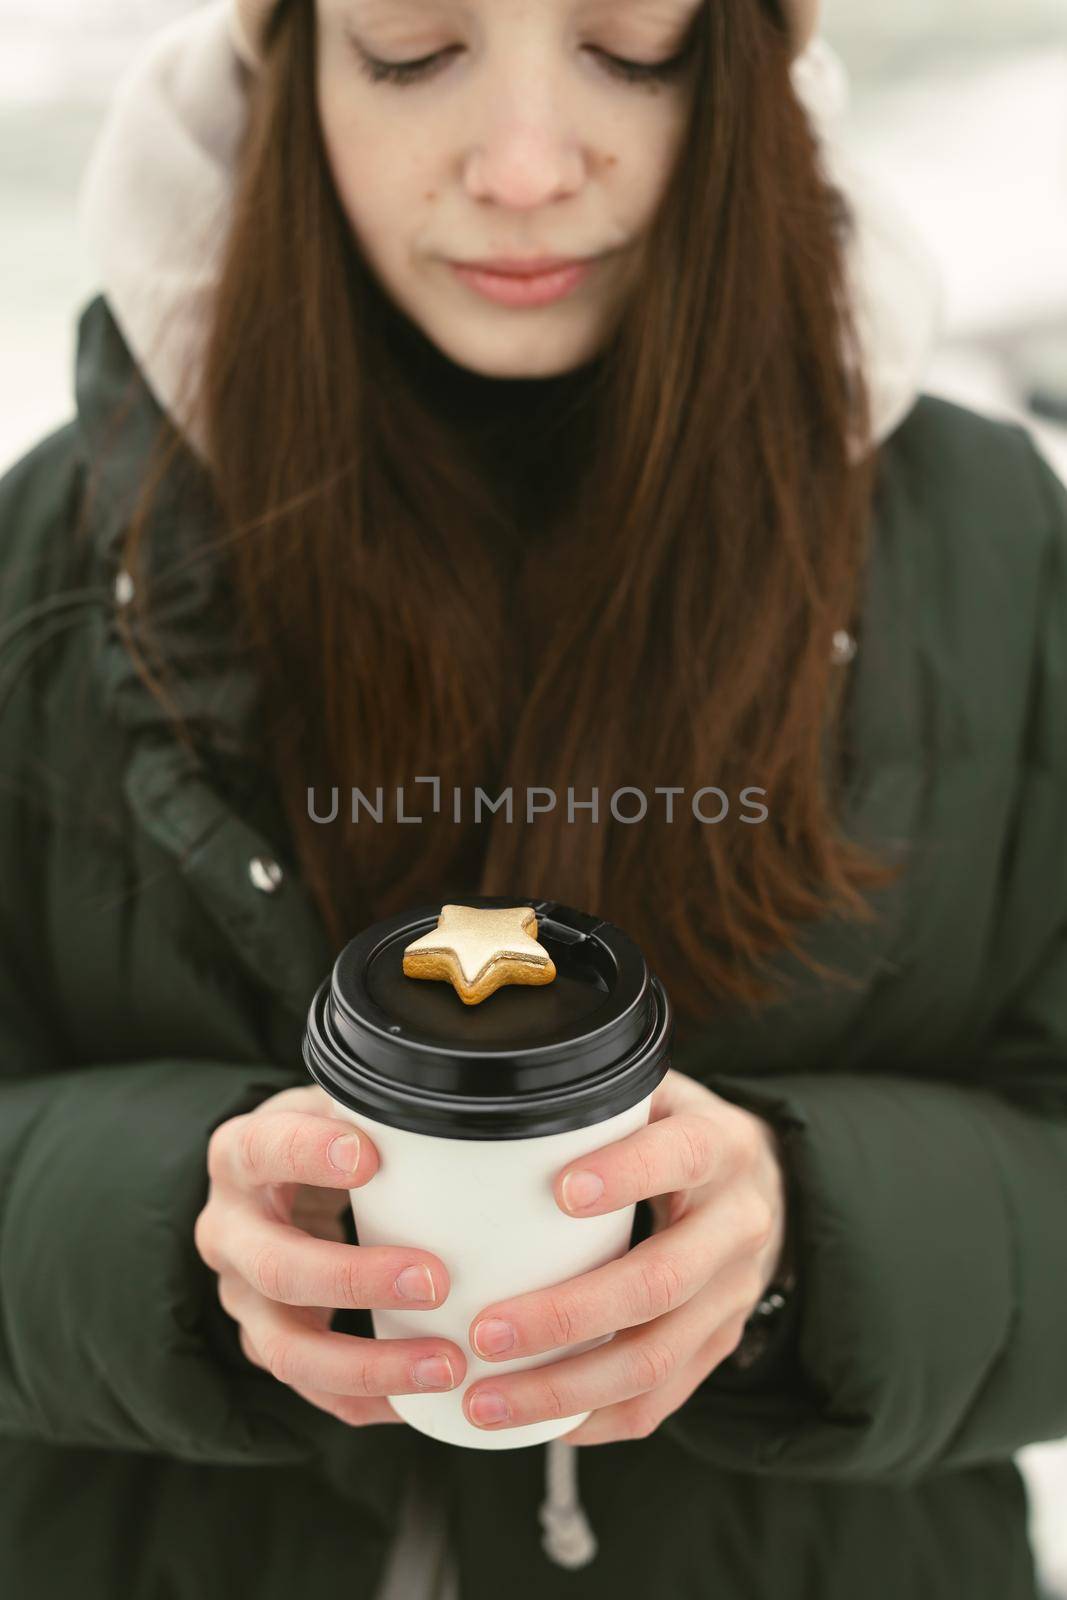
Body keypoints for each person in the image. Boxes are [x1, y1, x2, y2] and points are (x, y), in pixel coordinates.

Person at [0, 1, 1065, 1597]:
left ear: (755, 58)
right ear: (284, 61)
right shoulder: (67, 551)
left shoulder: (990, 545)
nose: (520, 166)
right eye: (414, 50)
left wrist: (808, 1244)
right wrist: (168, 1239)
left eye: (631, 47)